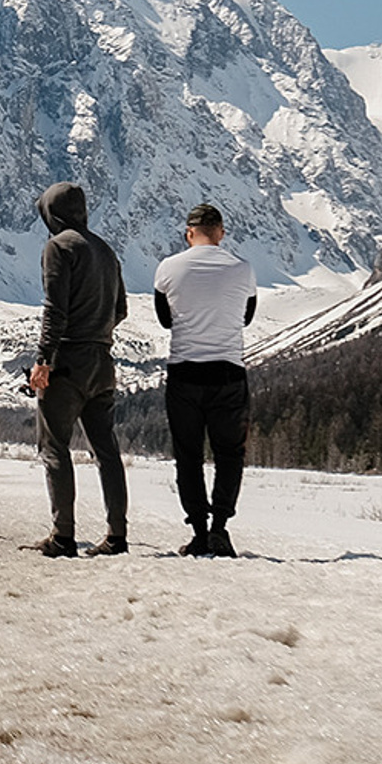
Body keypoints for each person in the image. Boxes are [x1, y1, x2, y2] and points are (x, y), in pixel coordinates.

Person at [26, 181, 128, 555]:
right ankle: (117, 536)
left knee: (54, 447)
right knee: (107, 451)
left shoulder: (59, 246)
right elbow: (121, 310)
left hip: (67, 361)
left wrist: (42, 360)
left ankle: (63, 536)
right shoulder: (106, 250)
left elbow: (56, 310)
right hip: (103, 361)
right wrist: (97, 334)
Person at [154, 202, 259, 555]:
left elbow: (166, 321)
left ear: (189, 234)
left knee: (188, 455)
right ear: (221, 233)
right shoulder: (242, 269)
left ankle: (198, 530)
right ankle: (220, 527)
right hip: (228, 372)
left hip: (184, 371)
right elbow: (246, 318)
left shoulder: (168, 268)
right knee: (230, 454)